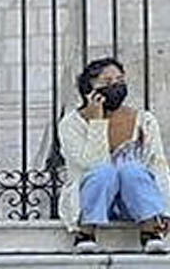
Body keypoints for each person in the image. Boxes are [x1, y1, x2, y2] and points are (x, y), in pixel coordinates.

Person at [58, 57, 170, 253]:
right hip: (92, 199)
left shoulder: (144, 120)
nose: (116, 86)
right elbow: (89, 164)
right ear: (89, 89)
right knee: (103, 171)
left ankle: (150, 230)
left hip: (133, 201)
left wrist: (165, 208)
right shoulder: (71, 124)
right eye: (108, 82)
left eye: (120, 81)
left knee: (132, 169)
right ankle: (86, 231)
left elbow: (158, 164)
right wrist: (97, 122)